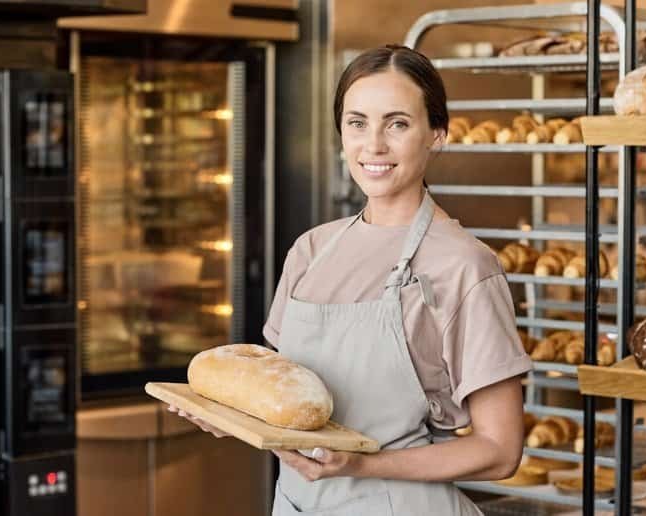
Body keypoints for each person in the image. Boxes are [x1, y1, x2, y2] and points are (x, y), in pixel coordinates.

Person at [171, 44, 532, 515]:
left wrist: (361, 466)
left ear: (437, 133)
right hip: (298, 504)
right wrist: (229, 416)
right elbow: (288, 405)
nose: (374, 145)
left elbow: (499, 451)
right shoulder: (311, 251)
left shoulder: (464, 265)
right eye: (357, 122)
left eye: (397, 123)